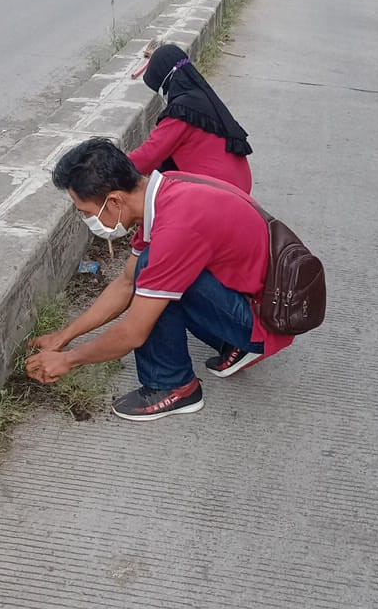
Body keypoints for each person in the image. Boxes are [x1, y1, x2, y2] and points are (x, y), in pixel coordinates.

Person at [25, 139, 295, 420]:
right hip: (260, 299)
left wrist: (67, 360)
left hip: (268, 321)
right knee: (148, 269)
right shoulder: (162, 194)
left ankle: (173, 386)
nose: (88, 220)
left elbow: (132, 332)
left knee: (152, 271)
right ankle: (230, 342)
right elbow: (126, 284)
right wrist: (63, 337)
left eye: (86, 212)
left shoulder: (176, 228)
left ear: (114, 200)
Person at [130, 44, 252, 189]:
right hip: (238, 184)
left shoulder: (181, 111)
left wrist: (110, 167)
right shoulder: (201, 98)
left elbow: (148, 156)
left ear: (165, 80)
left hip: (220, 191)